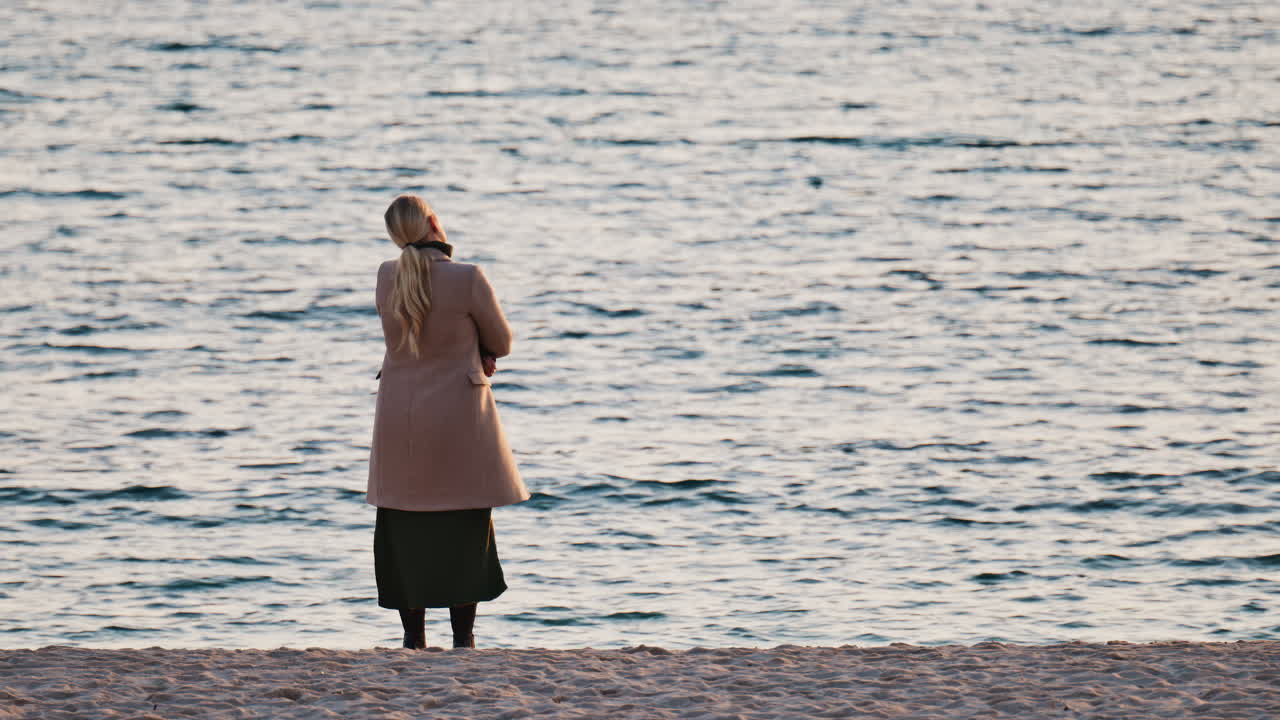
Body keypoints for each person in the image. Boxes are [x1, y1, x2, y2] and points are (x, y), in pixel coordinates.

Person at [367, 194, 529, 649]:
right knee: (463, 522)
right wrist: (477, 348)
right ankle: (463, 639)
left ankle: (412, 638)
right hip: (459, 413)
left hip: (402, 412)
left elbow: (411, 335)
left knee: (403, 522)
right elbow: (503, 340)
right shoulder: (467, 277)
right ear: (435, 222)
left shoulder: (386, 276)